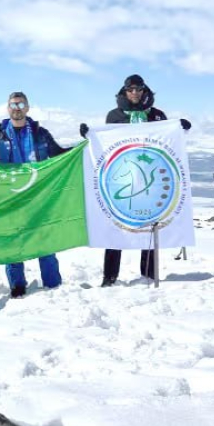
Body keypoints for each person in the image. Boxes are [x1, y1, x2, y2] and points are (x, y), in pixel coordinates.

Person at [80, 73, 192, 286]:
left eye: (138, 89)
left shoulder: (157, 115)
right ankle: (109, 278)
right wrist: (89, 135)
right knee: (115, 225)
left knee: (150, 225)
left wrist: (180, 128)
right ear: (124, 91)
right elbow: (106, 143)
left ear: (144, 90)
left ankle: (148, 275)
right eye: (130, 89)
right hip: (122, 176)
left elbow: (166, 140)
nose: (135, 93)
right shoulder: (114, 115)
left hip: (150, 177)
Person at [0, 91, 67, 298]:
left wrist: (83, 145)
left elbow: (59, 154)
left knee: (44, 240)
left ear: (28, 108)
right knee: (13, 242)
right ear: (8, 108)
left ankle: (53, 285)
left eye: (21, 104)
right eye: (14, 105)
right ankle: (17, 287)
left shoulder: (40, 133)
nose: (17, 108)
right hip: (11, 198)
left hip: (38, 196)